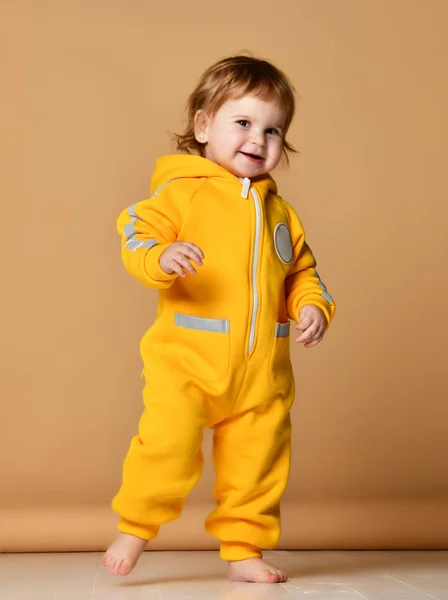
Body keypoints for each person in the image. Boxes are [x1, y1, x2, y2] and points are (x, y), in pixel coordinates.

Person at [102, 55, 336, 584]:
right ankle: (135, 527)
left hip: (261, 375)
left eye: (273, 129)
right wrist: (160, 258)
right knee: (167, 447)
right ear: (204, 126)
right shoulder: (180, 192)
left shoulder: (282, 214)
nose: (259, 139)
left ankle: (244, 550)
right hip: (187, 363)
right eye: (244, 123)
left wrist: (311, 307)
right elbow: (136, 231)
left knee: (259, 465)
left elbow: (303, 272)